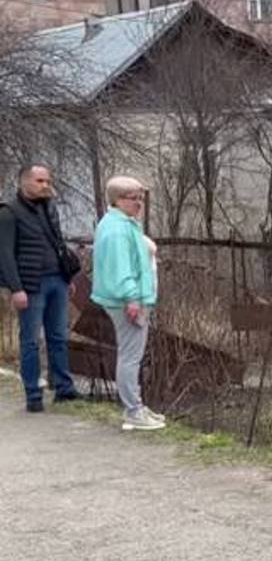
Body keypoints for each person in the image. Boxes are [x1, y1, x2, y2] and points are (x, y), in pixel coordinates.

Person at [0, 164, 80, 412]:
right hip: (31, 285)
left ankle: (64, 389)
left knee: (58, 337)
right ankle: (33, 394)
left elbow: (57, 244)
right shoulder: (9, 212)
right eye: (39, 181)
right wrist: (16, 288)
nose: (45, 185)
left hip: (57, 280)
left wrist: (68, 278)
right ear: (24, 182)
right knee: (30, 341)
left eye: (47, 180)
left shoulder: (49, 209)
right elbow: (5, 255)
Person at [91, 176, 164, 432]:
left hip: (130, 297)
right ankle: (133, 410)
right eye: (134, 198)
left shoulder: (122, 224)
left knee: (132, 353)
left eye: (140, 198)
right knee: (131, 355)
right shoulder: (117, 229)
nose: (139, 203)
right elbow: (122, 269)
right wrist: (132, 298)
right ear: (118, 200)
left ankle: (137, 406)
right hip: (127, 300)